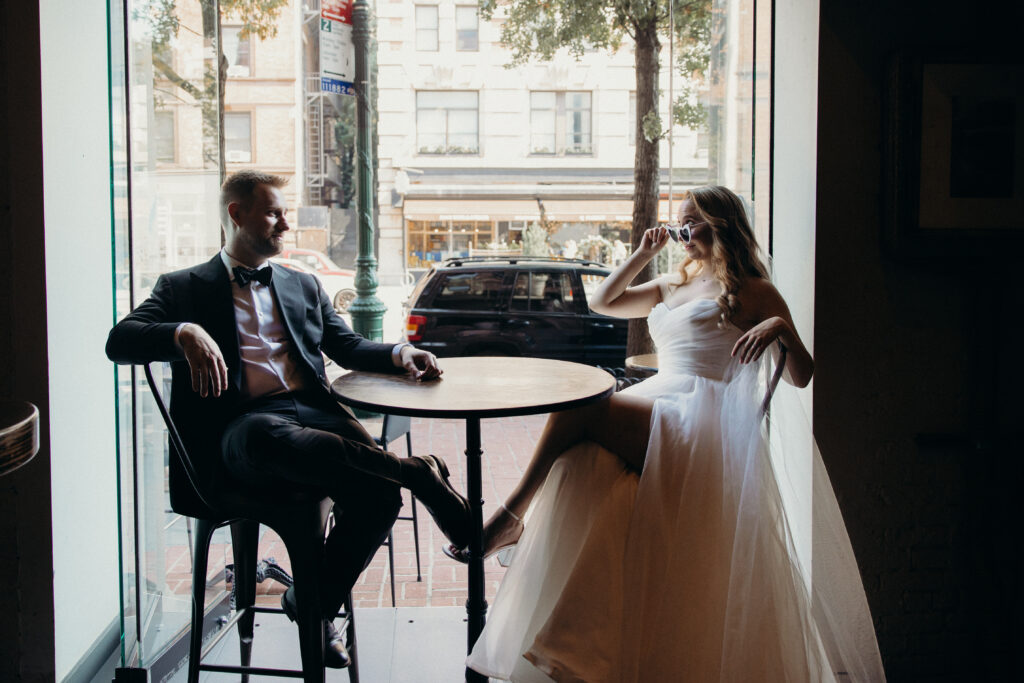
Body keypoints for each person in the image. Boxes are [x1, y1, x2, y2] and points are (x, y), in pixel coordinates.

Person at [451, 186, 886, 682]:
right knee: (584, 459)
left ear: (720, 226)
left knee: (581, 412)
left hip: (703, 424)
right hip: (663, 400)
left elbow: (802, 375)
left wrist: (778, 326)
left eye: (690, 222)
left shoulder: (751, 288)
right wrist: (642, 254)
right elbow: (603, 301)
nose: (682, 233)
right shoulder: (673, 283)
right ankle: (582, 635)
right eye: (678, 223)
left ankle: (509, 516)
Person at [106, 170, 470, 669]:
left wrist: (401, 353)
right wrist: (182, 331)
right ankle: (415, 473)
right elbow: (119, 342)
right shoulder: (184, 287)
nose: (285, 224)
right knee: (264, 434)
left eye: (285, 213)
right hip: (241, 429)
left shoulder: (303, 284)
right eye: (274, 212)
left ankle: (309, 603)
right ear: (236, 214)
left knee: (379, 497)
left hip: (314, 416)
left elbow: (347, 346)